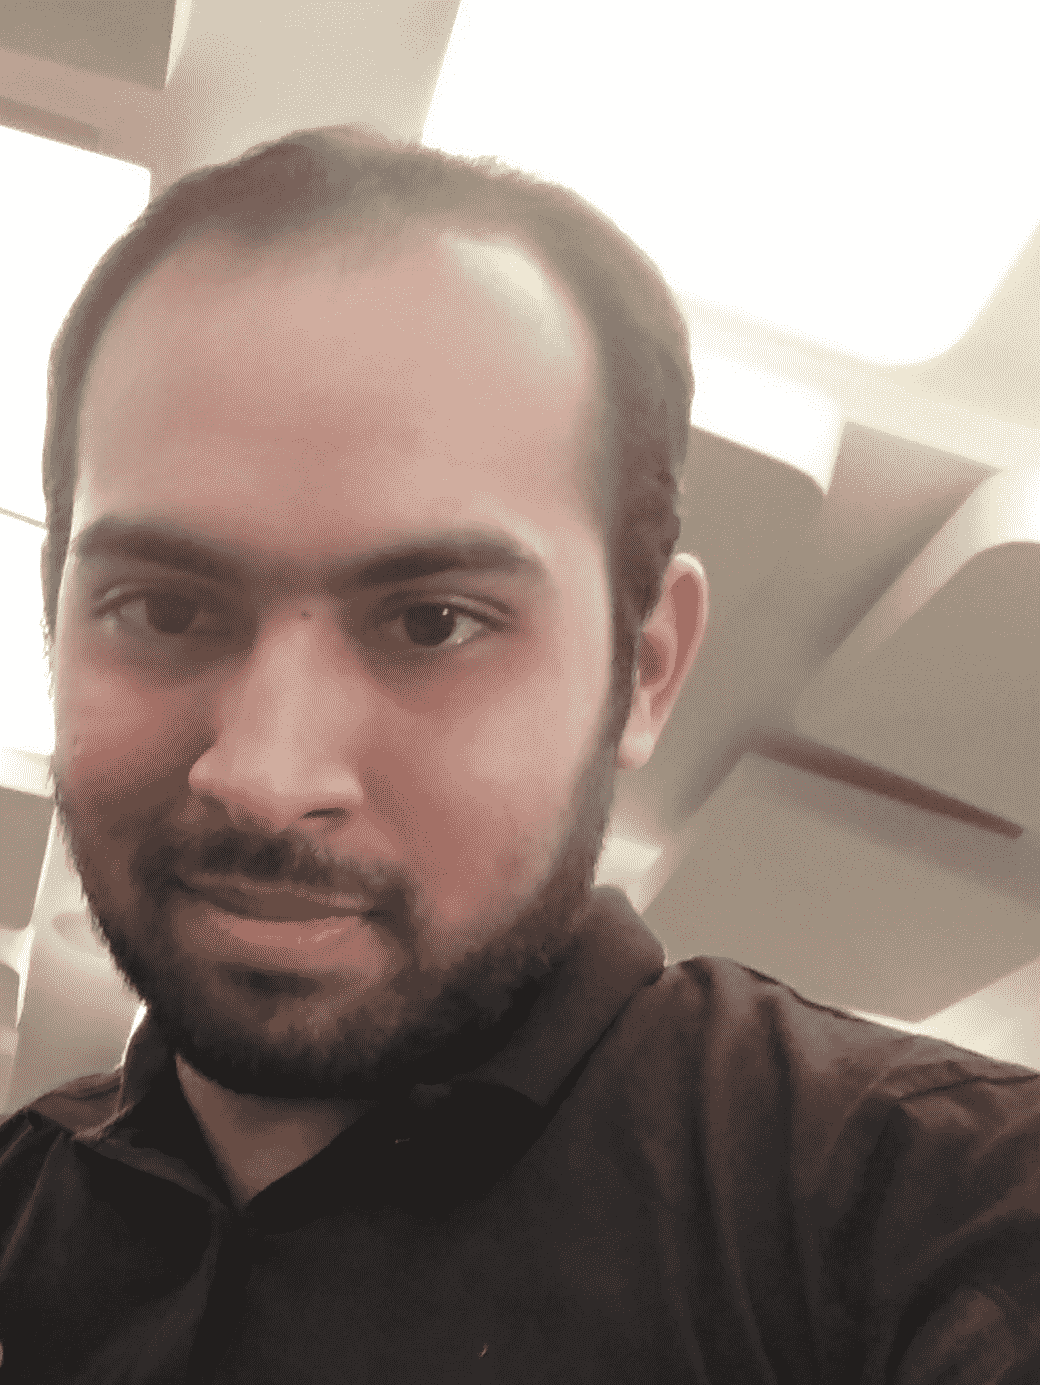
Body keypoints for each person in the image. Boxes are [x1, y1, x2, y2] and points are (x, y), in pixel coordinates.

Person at [0, 124, 1035, 1384]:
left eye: (432, 622)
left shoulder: (927, 1208)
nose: (265, 776)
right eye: (162, 607)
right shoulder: (18, 1200)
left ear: (643, 668)